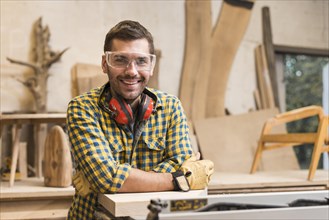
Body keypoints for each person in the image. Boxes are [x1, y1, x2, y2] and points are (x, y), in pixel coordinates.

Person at [66, 20, 214, 219]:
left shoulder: (170, 107)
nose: (132, 71)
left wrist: (120, 179)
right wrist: (179, 180)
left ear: (151, 65)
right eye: (120, 60)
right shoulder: (82, 108)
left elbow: (181, 160)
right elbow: (106, 178)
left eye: (141, 61)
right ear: (104, 64)